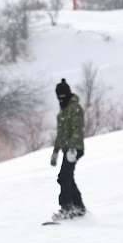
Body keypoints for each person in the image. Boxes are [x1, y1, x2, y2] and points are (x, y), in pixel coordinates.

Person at [49, 78, 86, 218]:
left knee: (64, 177)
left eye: (62, 96)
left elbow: (77, 129)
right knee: (67, 177)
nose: (60, 99)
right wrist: (55, 152)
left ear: (68, 94)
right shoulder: (63, 111)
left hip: (75, 148)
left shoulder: (75, 108)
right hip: (67, 149)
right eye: (58, 97)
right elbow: (60, 134)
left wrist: (72, 149)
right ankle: (79, 207)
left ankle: (68, 208)